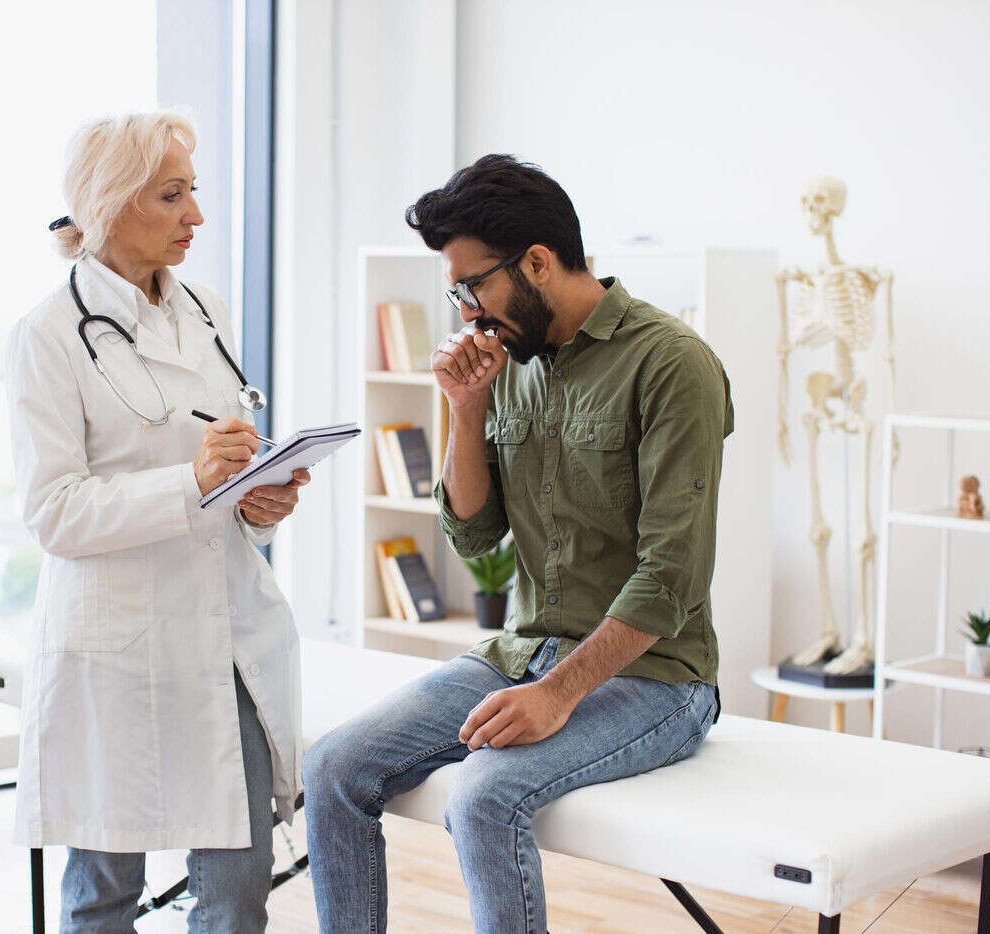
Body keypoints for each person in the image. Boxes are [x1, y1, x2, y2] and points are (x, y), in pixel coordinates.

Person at [302, 154, 733, 933]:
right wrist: (465, 409)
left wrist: (559, 693)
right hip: (522, 650)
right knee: (332, 768)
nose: (468, 312)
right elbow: (474, 534)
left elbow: (670, 574)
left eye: (475, 286)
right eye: (456, 292)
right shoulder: (507, 363)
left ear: (537, 261)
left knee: (482, 795)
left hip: (659, 678)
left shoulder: (673, 364)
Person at [7, 110, 308, 933]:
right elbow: (53, 512)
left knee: (238, 885)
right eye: (172, 196)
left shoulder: (203, 309)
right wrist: (194, 480)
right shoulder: (48, 334)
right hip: (117, 645)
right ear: (109, 203)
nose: (196, 218)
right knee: (104, 891)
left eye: (193, 193)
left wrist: (259, 499)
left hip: (223, 634)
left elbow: (222, 471)